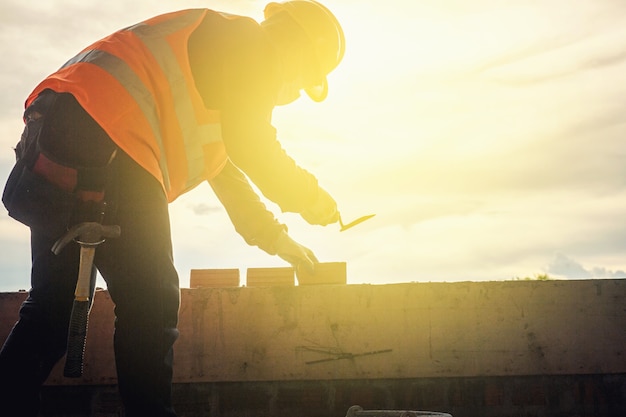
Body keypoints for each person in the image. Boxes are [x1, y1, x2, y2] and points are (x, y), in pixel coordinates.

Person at [0, 1, 345, 416]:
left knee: (53, 310)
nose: (292, 93)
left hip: (53, 137)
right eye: (302, 82)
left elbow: (232, 180)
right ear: (300, 50)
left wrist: (283, 244)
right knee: (151, 305)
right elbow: (253, 145)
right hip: (115, 141)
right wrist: (310, 197)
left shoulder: (219, 76)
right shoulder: (252, 43)